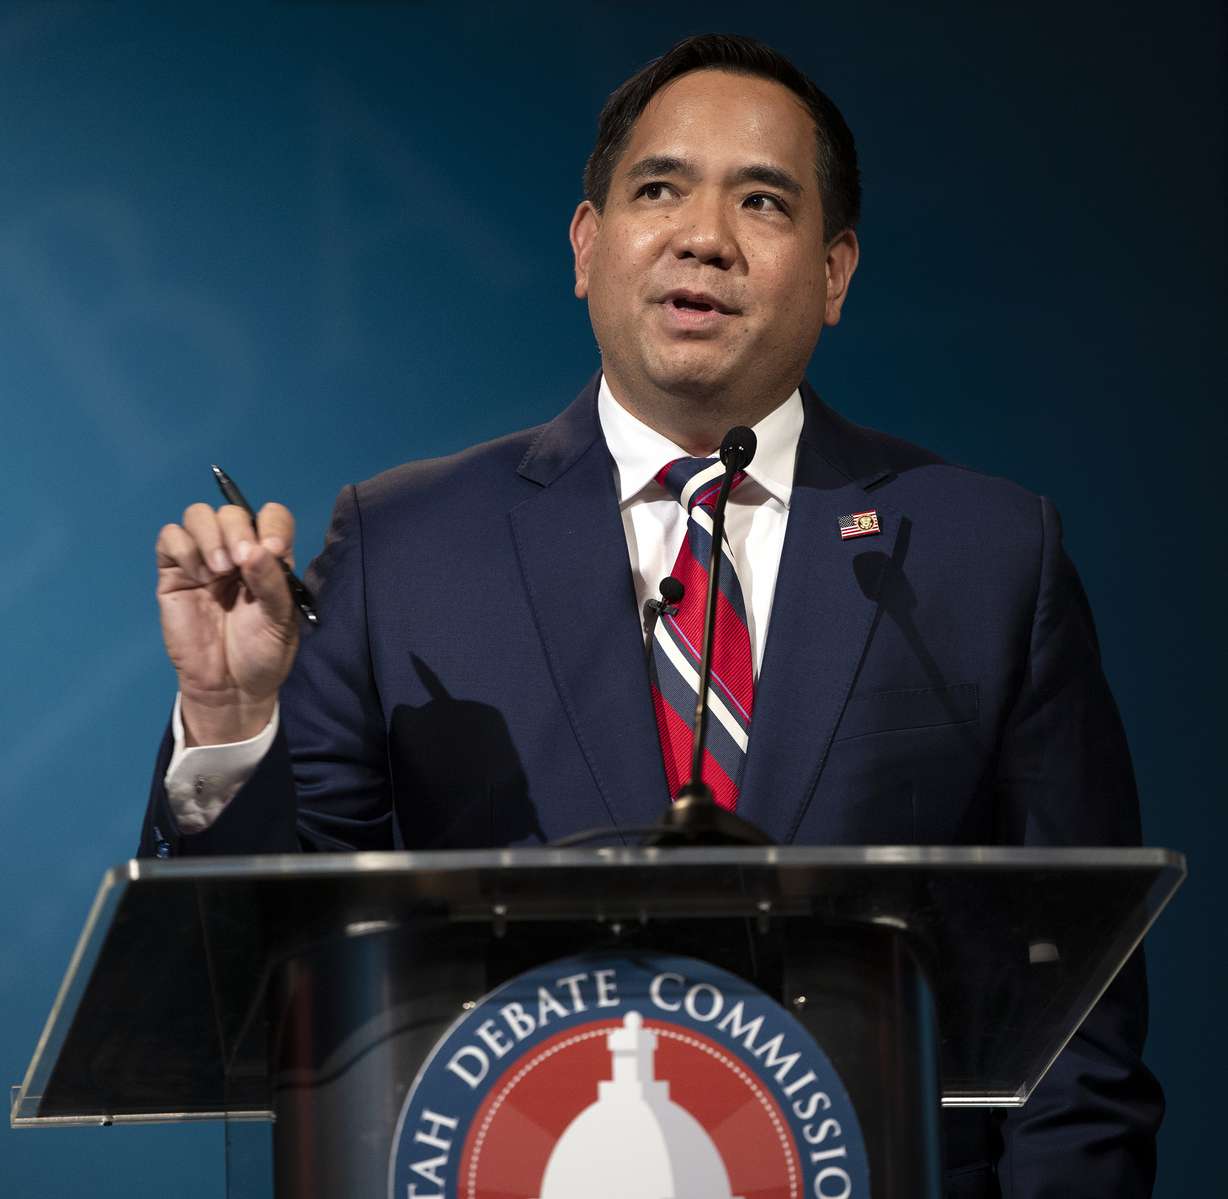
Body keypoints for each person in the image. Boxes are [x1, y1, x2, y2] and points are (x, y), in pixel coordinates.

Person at [140, 34, 1161, 1197]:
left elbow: (1077, 1027)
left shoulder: (985, 552)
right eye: (659, 188)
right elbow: (276, 961)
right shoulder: (405, 544)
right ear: (587, 247)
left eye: (762, 200)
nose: (704, 236)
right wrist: (229, 716)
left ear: (833, 273)